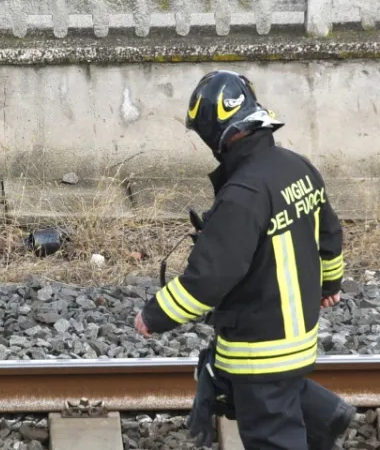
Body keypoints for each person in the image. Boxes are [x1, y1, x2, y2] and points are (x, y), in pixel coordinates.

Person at [133, 70, 355, 450]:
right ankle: (324, 414)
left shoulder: (243, 192)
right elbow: (329, 236)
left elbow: (210, 278)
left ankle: (321, 416)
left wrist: (154, 315)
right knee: (280, 394)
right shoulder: (296, 166)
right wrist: (329, 286)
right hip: (297, 337)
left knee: (272, 432)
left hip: (260, 347)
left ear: (213, 129)